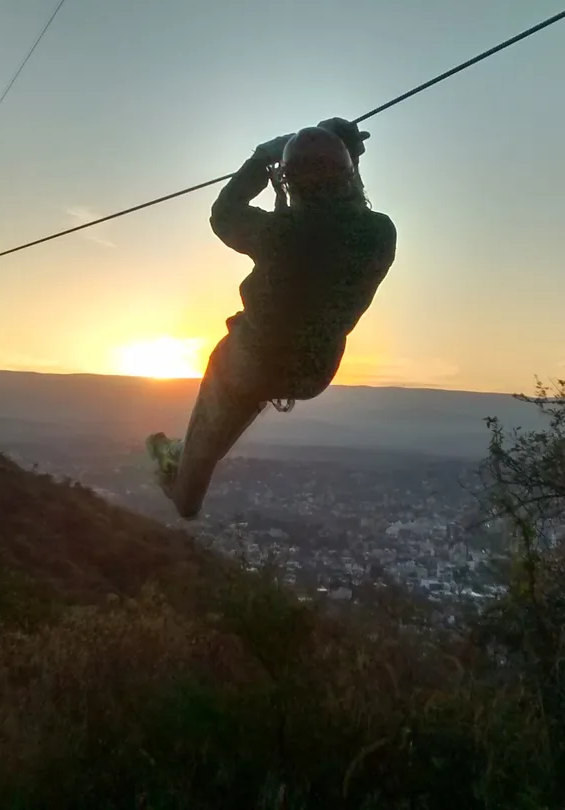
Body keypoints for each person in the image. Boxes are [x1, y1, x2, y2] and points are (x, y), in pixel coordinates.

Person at [146, 118, 398, 520]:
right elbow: (350, 213)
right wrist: (343, 150)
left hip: (255, 358)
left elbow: (224, 215)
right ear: (346, 176)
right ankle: (187, 457)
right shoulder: (380, 234)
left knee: (226, 391)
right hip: (313, 369)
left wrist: (260, 160)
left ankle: (185, 489)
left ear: (291, 185)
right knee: (241, 394)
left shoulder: (281, 232)